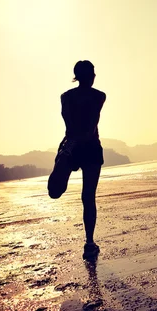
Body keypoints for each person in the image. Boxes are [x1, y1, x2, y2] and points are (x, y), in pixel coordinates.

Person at [57, 60, 106, 259]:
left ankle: (62, 176)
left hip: (72, 147)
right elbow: (91, 124)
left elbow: (68, 122)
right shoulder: (99, 96)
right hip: (91, 148)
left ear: (76, 76)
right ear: (91, 76)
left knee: (56, 191)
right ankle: (89, 242)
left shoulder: (66, 97)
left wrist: (69, 146)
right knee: (88, 197)